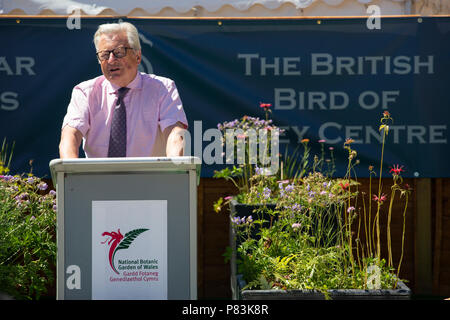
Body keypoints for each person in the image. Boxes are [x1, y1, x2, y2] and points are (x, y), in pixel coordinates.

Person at [59, 22, 187, 159]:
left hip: (151, 177)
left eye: (119, 52)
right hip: (96, 178)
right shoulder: (85, 92)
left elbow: (175, 134)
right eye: (104, 55)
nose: (111, 60)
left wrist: (174, 169)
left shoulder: (162, 88)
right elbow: (70, 136)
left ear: (138, 56)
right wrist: (70, 172)